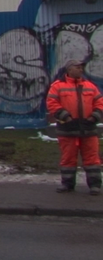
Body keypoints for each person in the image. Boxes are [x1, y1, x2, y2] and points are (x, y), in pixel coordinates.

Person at [46, 59, 103, 194]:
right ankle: (67, 184)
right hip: (67, 128)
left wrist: (94, 116)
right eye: (77, 67)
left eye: (81, 68)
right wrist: (66, 116)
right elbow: (52, 103)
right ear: (69, 69)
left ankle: (95, 185)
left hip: (88, 129)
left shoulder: (90, 86)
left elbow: (100, 102)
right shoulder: (57, 86)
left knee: (92, 158)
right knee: (68, 158)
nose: (80, 70)